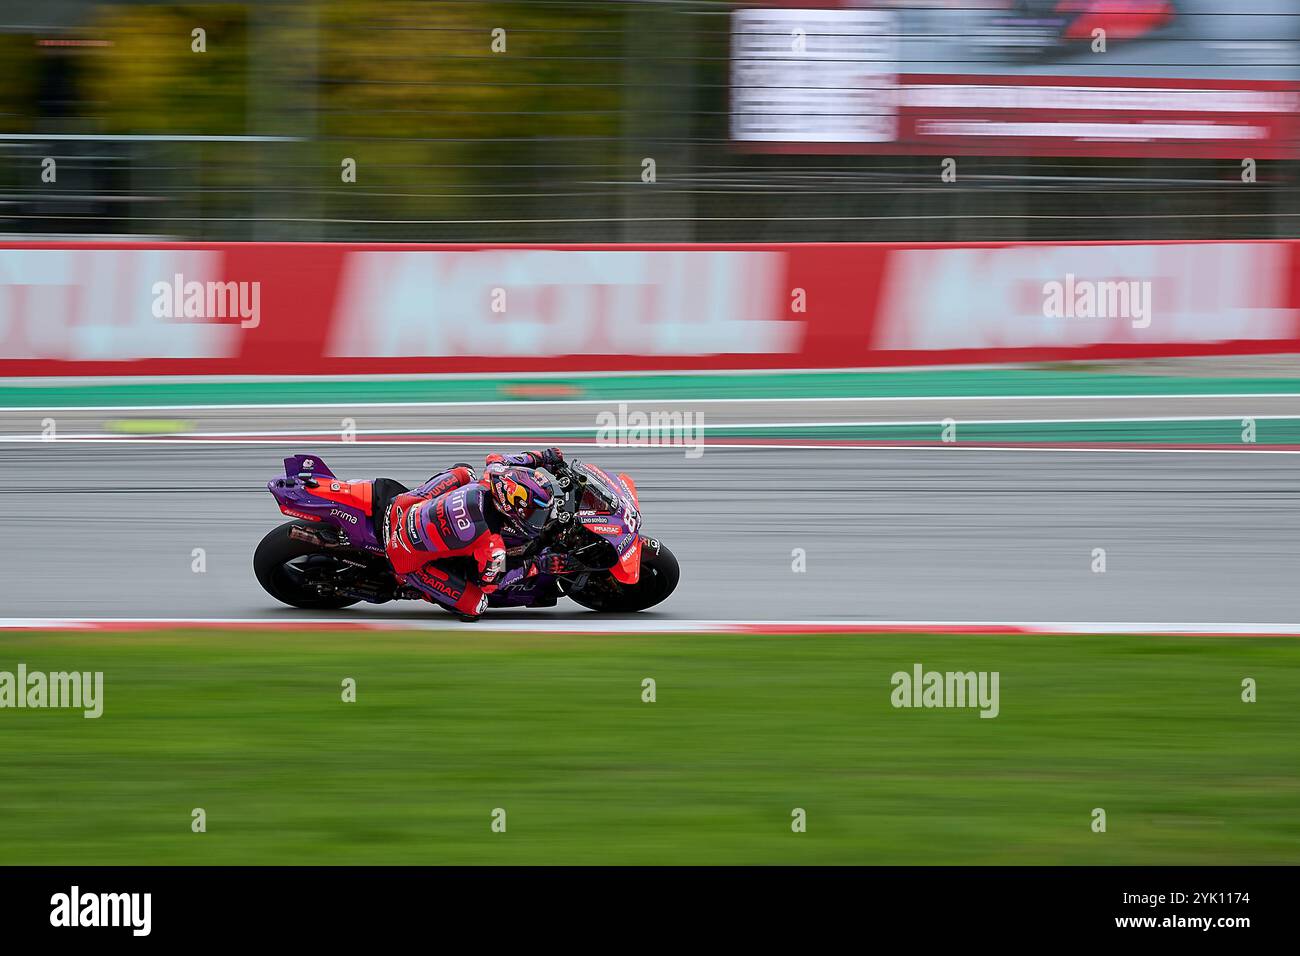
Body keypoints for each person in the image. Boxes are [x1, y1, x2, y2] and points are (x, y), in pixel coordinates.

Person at [382, 448, 575, 620]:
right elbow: (490, 584)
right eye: (534, 515)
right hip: (403, 556)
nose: (539, 520)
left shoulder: (492, 476)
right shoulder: (493, 544)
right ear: (510, 509)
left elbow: (497, 458)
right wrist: (536, 565)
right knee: (477, 605)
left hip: (402, 507)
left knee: (465, 472)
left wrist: (542, 458)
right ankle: (415, 588)